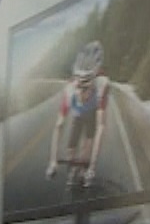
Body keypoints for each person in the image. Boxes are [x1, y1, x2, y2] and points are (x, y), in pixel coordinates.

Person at [47, 41, 110, 189]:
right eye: (79, 88)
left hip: (92, 112)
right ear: (75, 84)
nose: (82, 93)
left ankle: (82, 170)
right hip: (78, 113)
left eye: (86, 89)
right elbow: (58, 126)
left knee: (88, 142)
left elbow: (101, 127)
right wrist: (52, 161)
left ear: (94, 82)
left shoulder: (102, 86)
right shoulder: (69, 91)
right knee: (71, 146)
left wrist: (92, 166)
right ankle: (73, 170)